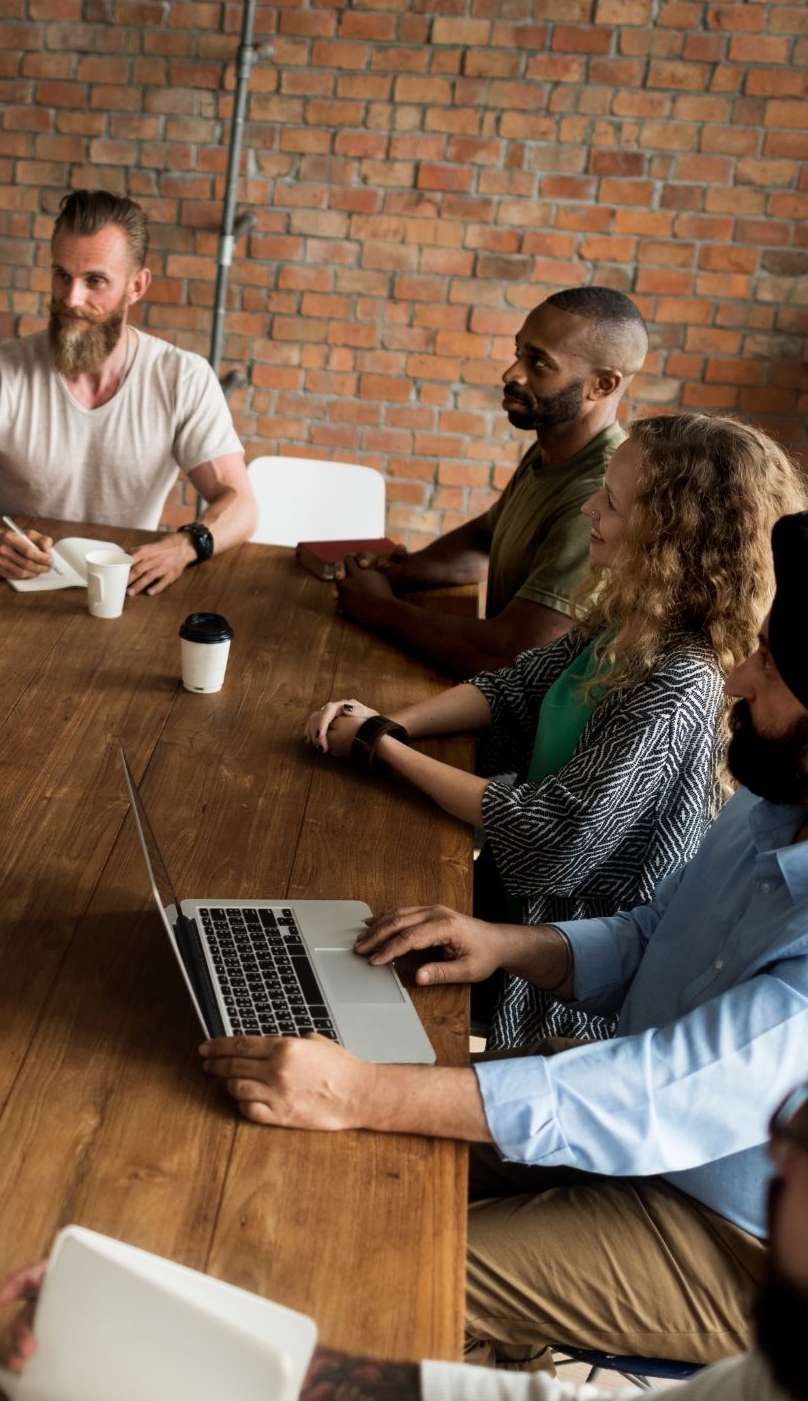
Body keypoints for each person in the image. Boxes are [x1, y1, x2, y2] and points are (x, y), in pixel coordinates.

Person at [195, 509, 808, 1368]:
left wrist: (365, 1092)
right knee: (337, 1159)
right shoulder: (776, 801)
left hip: (730, 1236)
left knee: (393, 1263)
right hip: (624, 1122)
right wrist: (503, 944)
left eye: (772, 666)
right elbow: (652, 938)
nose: (739, 678)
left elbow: (658, 1093)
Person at [308, 415, 806, 1046]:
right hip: (513, 913)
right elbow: (512, 688)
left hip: (562, 978)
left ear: (669, 537)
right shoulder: (632, 617)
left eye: (613, 503)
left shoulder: (685, 678)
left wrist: (380, 748)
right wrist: (391, 723)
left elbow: (552, 838)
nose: (589, 508)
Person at [0, 1079, 808, 1401]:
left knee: (417, 1272)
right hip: (650, 1157)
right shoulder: (772, 1377)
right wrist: (194, 1341)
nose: (777, 1175)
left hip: (684, 1200)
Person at [0, 189, 257, 596]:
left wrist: (186, 545)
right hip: (8, 590)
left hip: (125, 590)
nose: (71, 298)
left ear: (137, 286)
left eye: (95, 281)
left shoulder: (182, 378)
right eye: (62, 275)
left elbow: (241, 504)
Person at [333, 288, 645, 676]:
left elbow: (508, 653)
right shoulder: (552, 449)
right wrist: (404, 571)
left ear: (603, 385)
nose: (512, 374)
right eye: (519, 353)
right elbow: (486, 539)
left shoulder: (596, 495)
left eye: (539, 364)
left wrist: (380, 609)